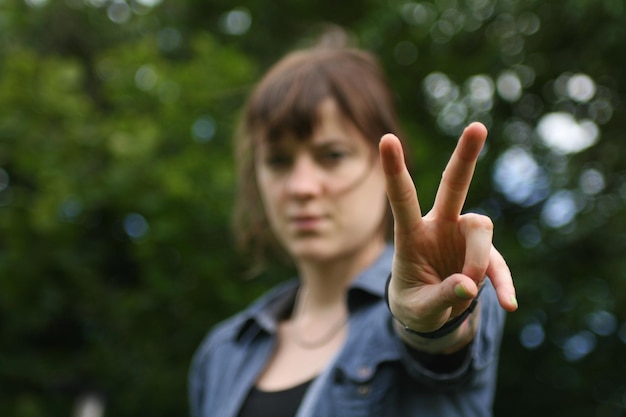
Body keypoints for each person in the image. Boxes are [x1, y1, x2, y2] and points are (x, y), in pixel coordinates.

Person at [188, 28, 518, 417]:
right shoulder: (224, 351)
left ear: (387, 168)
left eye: (332, 155)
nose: (301, 187)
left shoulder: (442, 288)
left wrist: (431, 321)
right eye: (278, 161)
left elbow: (443, 339)